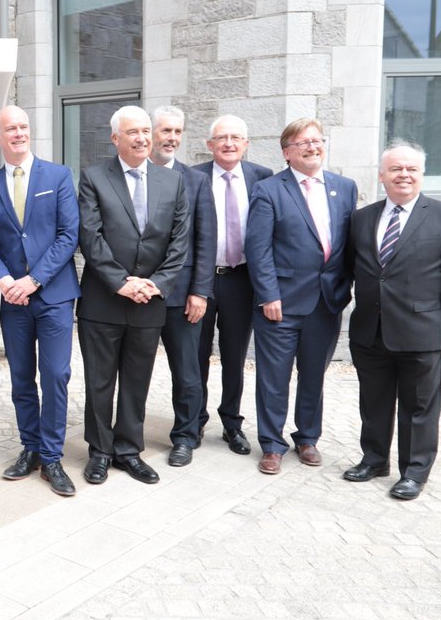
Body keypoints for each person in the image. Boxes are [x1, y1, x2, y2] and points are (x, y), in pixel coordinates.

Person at [344, 142, 441, 500]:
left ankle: (414, 472)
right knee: (374, 402)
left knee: (419, 407)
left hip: (422, 331)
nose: (404, 174)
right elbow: (352, 268)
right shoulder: (361, 218)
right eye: (396, 169)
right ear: (382, 175)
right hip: (370, 331)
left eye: (411, 169)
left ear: (421, 174)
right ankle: (374, 460)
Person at [77, 105, 188, 486]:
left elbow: (179, 240)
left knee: (137, 380)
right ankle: (99, 451)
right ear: (115, 138)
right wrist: (121, 282)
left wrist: (156, 284)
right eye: (132, 132)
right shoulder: (94, 177)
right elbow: (90, 236)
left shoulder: (172, 182)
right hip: (103, 300)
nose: (142, 138)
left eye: (145, 131)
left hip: (149, 302)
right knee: (99, 382)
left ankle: (128, 451)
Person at [0, 106, 80, 496]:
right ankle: (30, 448)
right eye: (10, 128)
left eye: (23, 127)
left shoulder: (58, 175)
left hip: (53, 295)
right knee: (21, 378)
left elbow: (69, 236)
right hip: (13, 300)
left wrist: (34, 280)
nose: (19, 133)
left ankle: (52, 457)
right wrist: (4, 280)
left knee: (55, 375)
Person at [245, 117, 356, 475]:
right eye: (302, 142)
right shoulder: (269, 190)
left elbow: (349, 244)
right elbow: (258, 248)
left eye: (316, 140)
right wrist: (268, 295)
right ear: (286, 153)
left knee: (313, 376)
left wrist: (346, 287)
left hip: (326, 302)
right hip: (280, 303)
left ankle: (307, 438)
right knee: (273, 378)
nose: (312, 147)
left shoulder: (345, 187)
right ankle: (272, 444)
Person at [194, 115, 272, 456]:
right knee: (195, 354)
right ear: (209, 145)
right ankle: (194, 420)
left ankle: (232, 423)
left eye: (236, 137)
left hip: (241, 279)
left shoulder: (262, 178)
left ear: (246, 144)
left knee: (234, 355)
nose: (228, 143)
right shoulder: (192, 177)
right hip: (201, 280)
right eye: (221, 138)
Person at [149, 106, 215, 467]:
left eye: (177, 131)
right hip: (139, 293)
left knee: (188, 372)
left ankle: (186, 436)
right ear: (150, 132)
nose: (172, 138)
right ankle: (127, 433)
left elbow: (206, 239)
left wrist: (200, 291)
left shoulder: (196, 180)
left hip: (182, 294)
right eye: (166, 130)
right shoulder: (133, 175)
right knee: (135, 369)